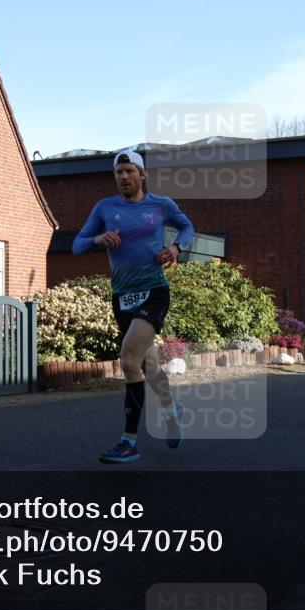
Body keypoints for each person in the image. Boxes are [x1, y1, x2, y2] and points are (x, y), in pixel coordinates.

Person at [73, 149, 194, 463]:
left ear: (143, 175)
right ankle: (171, 408)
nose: (123, 177)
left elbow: (187, 227)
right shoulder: (105, 208)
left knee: (128, 360)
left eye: (129, 171)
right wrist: (98, 239)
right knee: (149, 367)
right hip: (121, 296)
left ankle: (128, 442)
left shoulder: (161, 204)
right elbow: (77, 244)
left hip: (154, 290)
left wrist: (176, 247)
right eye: (118, 173)